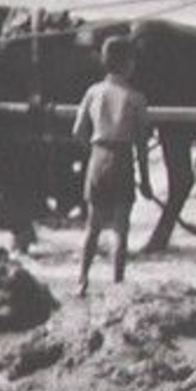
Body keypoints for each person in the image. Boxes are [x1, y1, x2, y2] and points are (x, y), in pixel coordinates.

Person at [73, 34, 153, 295]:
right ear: (128, 63)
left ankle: (82, 280)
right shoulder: (136, 98)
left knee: (93, 227)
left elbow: (77, 132)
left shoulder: (93, 92)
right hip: (122, 159)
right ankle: (117, 285)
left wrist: (94, 153)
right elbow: (141, 143)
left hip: (98, 157)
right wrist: (146, 180)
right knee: (121, 228)